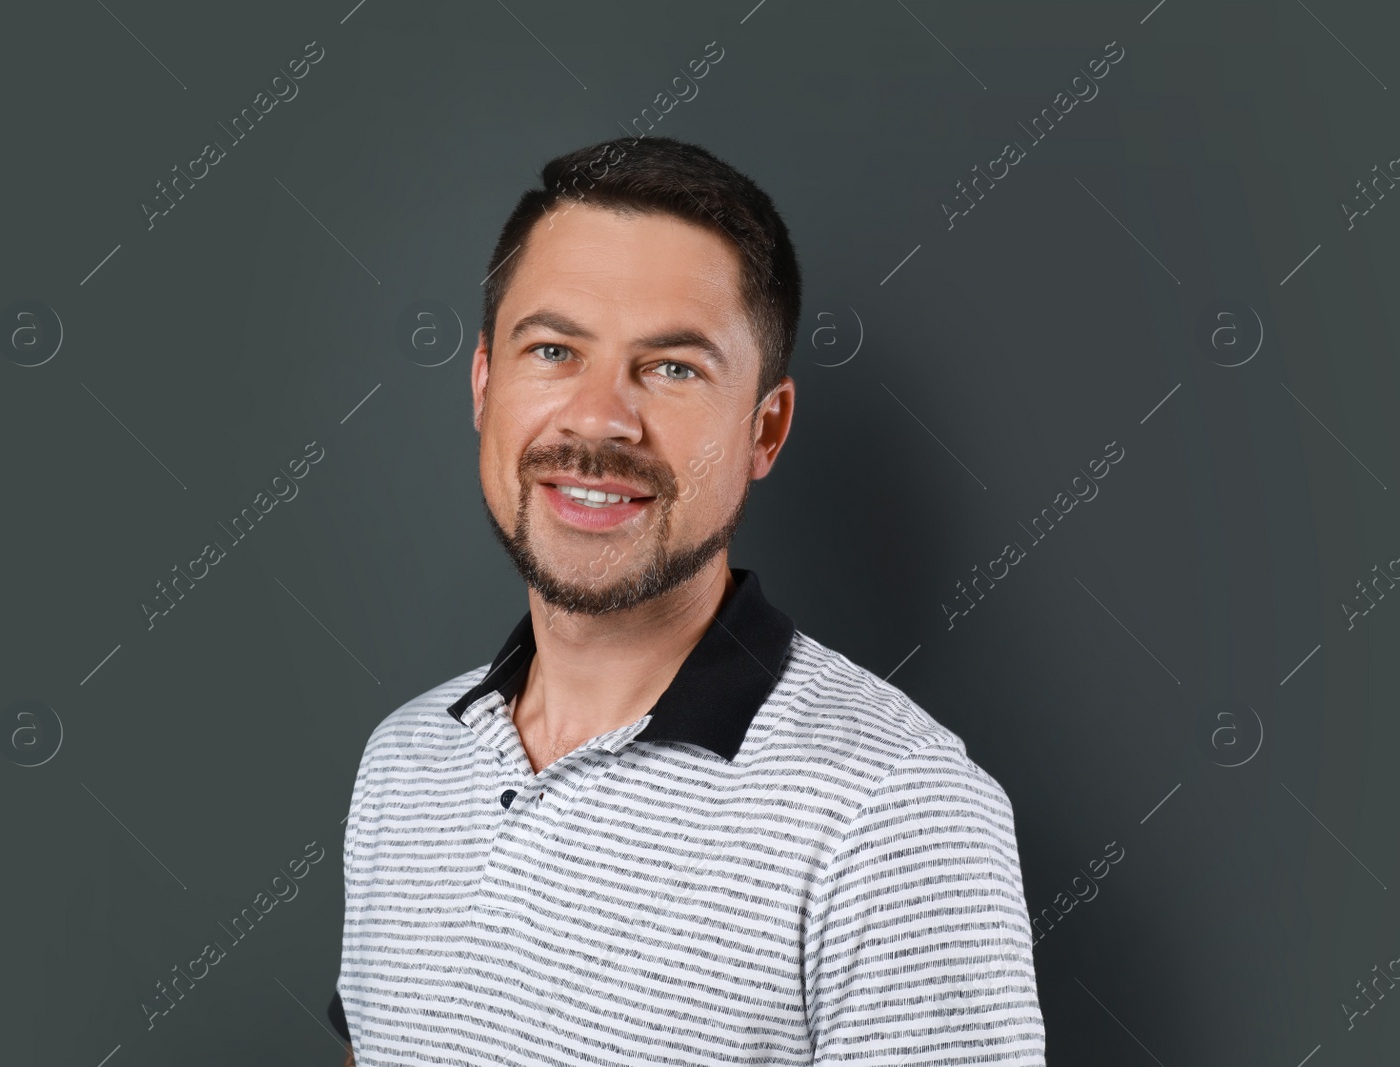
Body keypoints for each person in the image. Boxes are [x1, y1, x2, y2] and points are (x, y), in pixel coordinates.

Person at [328, 135, 1044, 1064]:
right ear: (483, 383)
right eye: (552, 349)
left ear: (766, 428)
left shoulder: (898, 813)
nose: (598, 418)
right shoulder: (405, 763)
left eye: (673, 368)